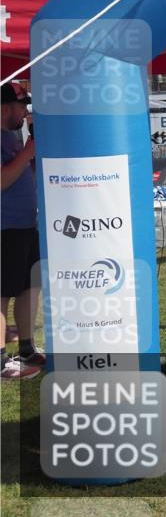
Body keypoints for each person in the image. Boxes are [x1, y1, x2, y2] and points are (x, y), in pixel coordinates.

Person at [1, 83, 44, 380]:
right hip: (5, 228)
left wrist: (31, 155)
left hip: (27, 225)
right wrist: (29, 151)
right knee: (2, 294)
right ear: (5, 108)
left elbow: (22, 175)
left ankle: (27, 349)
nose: (25, 112)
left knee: (30, 288)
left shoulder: (13, 138)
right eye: (21, 106)